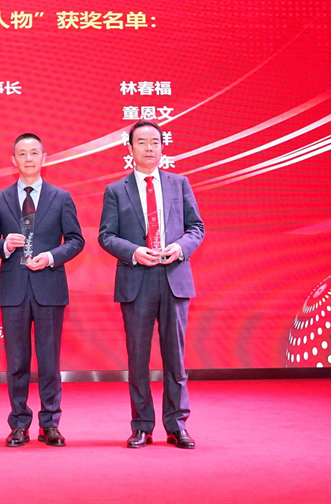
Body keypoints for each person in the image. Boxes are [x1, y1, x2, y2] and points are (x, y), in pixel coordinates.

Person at [98, 120, 204, 450]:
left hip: (173, 279)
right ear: (130, 149)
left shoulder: (179, 184)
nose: (148, 148)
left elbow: (196, 228)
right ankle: (142, 426)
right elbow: (106, 235)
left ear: (162, 147)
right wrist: (134, 251)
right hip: (137, 279)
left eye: (155, 142)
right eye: (141, 142)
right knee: (138, 359)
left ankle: (177, 425)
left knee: (175, 358)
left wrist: (181, 248)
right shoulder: (116, 190)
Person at [0, 133, 85, 447]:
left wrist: (51, 256)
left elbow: (76, 240)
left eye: (34, 153)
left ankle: (50, 423)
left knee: (49, 361)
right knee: (16, 362)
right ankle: (19, 423)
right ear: (13, 160)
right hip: (13, 288)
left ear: (44, 157)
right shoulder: (0, 198)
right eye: (22, 153)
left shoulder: (61, 197)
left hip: (49, 287)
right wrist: (4, 245)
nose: (28, 158)